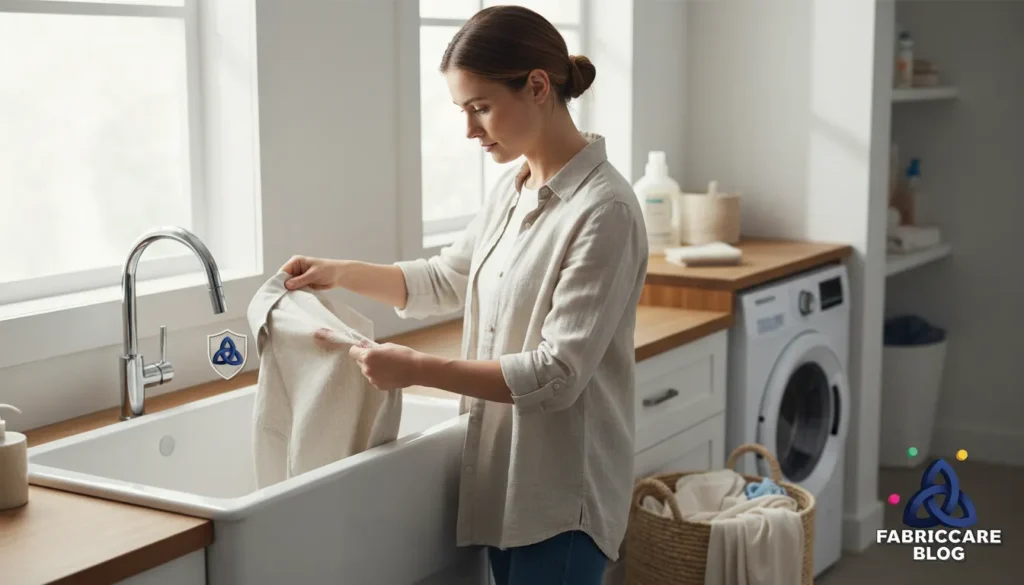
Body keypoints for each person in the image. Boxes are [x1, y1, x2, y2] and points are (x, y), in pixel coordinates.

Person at [281, 6, 648, 584]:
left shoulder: (605, 211)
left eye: (480, 107)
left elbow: (557, 373)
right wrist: (341, 271)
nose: (471, 130)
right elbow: (446, 278)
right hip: (503, 483)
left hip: (560, 498)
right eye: (463, 110)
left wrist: (417, 368)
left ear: (536, 86)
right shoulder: (514, 187)